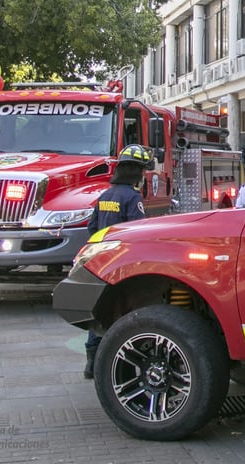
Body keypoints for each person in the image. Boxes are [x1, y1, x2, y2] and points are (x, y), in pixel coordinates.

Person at [83, 144, 151, 378]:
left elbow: (92, 227)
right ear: (136, 172)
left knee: (99, 312)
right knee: (123, 312)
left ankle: (91, 362)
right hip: (123, 264)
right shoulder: (132, 197)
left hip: (101, 261)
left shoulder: (105, 196)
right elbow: (138, 230)